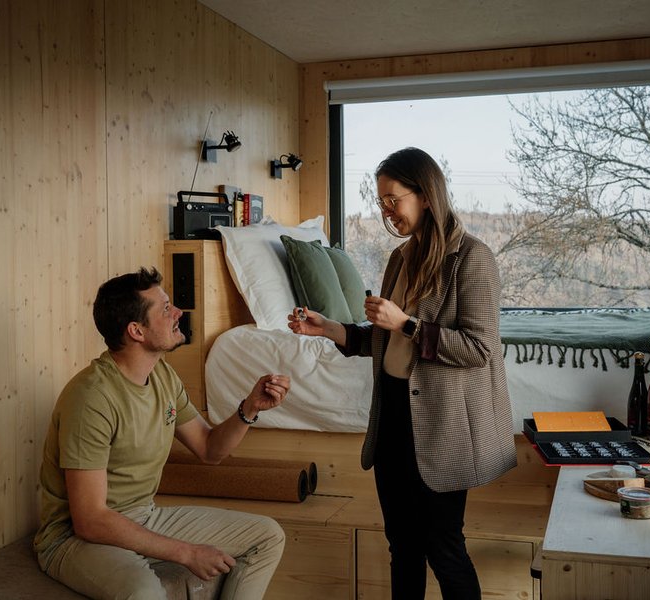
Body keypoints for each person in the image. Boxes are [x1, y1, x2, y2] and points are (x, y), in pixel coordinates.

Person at [288, 147, 516, 599]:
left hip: (441, 427)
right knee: (402, 547)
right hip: (392, 418)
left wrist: (406, 323)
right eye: (381, 202)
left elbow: (481, 350)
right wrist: (330, 328)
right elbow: (385, 341)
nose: (386, 211)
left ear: (426, 195)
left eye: (394, 199)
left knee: (444, 548)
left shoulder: (472, 258)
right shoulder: (400, 258)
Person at [34, 267, 289, 600]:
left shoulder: (163, 378)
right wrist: (185, 552)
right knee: (143, 592)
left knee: (267, 536)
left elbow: (209, 449)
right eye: (165, 307)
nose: (177, 313)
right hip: (73, 540)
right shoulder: (91, 398)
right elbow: (90, 520)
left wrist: (250, 409)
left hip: (143, 517)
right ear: (136, 331)